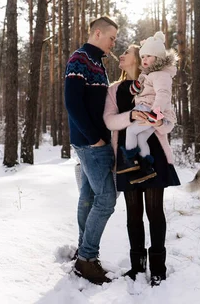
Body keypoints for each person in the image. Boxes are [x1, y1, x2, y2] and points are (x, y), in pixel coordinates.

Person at [103, 41, 181, 287]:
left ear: (140, 59)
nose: (122, 55)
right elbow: (109, 121)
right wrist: (131, 116)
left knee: (154, 211)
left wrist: (158, 122)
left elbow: (169, 120)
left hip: (153, 154)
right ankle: (137, 266)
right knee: (134, 213)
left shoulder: (156, 80)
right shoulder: (115, 89)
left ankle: (158, 267)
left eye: (127, 52)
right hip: (127, 156)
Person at [64, 15, 118, 285]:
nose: (113, 43)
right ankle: (87, 258)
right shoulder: (80, 59)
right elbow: (72, 104)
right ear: (97, 33)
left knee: (87, 196)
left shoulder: (98, 63)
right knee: (106, 200)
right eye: (111, 38)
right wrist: (95, 139)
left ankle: (82, 251)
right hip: (90, 144)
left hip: (95, 141)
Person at [121, 31, 177, 184]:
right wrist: (136, 88)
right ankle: (146, 167)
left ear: (158, 58)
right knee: (140, 137)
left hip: (150, 111)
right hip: (147, 110)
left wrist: (155, 114)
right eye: (143, 56)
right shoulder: (149, 75)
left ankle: (131, 161)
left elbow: (163, 95)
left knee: (131, 131)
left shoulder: (161, 75)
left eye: (149, 56)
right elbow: (142, 90)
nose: (144, 59)